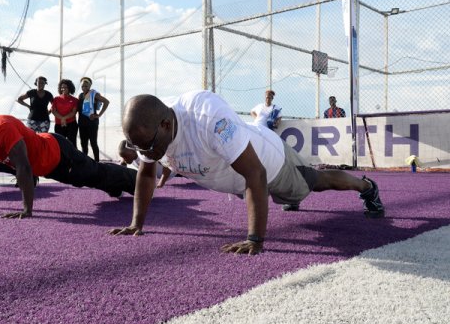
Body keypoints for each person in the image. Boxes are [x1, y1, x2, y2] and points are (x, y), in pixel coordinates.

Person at [109, 91, 384, 255]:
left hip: (271, 163)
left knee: (314, 181)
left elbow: (255, 174)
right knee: (279, 196)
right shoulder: (149, 126)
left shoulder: (208, 117)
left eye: (149, 146)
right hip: (240, 179)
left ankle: (366, 187)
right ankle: (288, 199)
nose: (146, 152)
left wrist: (255, 239)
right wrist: (137, 224)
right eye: (139, 146)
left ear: (167, 125)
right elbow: (146, 174)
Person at [0, 114, 137, 218]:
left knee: (94, 174)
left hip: (59, 154)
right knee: (90, 179)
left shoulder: (1, 128)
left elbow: (24, 168)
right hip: (45, 164)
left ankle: (137, 180)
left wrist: (27, 210)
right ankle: (117, 186)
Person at [77, 77, 109, 162]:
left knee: (93, 143)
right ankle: (85, 162)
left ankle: (97, 162)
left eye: (86, 86)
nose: (84, 87)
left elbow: (106, 102)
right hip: (82, 123)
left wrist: (99, 115)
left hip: (92, 123)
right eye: (83, 86)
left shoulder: (94, 94)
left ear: (90, 86)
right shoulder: (80, 95)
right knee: (83, 144)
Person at [51, 79, 79, 148]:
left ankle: (73, 159)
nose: (63, 89)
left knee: (72, 144)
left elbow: (73, 112)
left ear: (69, 88)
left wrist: (64, 118)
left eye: (65, 87)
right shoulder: (56, 99)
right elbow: (53, 111)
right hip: (59, 125)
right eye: (62, 87)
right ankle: (62, 159)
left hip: (72, 125)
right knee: (60, 144)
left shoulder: (75, 100)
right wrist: (62, 119)